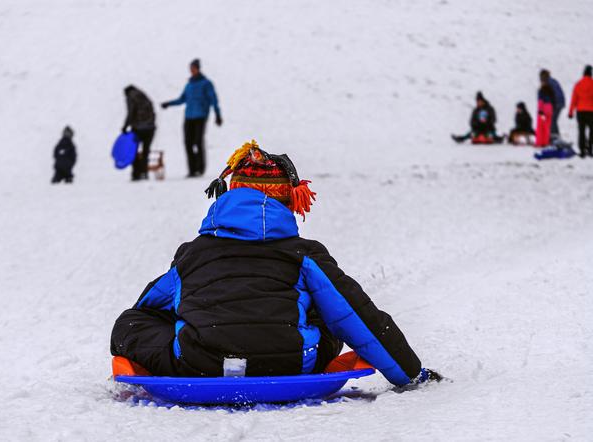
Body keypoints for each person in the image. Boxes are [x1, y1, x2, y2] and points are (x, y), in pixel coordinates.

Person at [110, 140, 442, 387]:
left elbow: (147, 309)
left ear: (228, 194)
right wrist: (411, 374)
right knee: (328, 312)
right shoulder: (304, 254)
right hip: (293, 362)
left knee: (132, 321)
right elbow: (358, 316)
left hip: (202, 363)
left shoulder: (192, 254)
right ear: (288, 202)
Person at [161, 59, 222, 177]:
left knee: (198, 141)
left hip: (201, 116)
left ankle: (200, 168)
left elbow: (213, 99)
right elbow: (182, 99)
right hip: (189, 116)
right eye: (191, 68)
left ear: (198, 69)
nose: (191, 70)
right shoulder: (189, 84)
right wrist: (168, 104)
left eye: (193, 68)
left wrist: (217, 115)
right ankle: (192, 169)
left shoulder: (206, 83)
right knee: (188, 142)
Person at [122, 85, 156, 181]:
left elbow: (130, 113)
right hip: (150, 128)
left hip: (138, 129)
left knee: (133, 151)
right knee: (145, 151)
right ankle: (144, 172)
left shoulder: (130, 97)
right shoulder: (143, 95)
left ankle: (136, 174)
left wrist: (125, 126)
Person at [568, 65, 593, 158]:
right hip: (591, 112)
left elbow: (574, 99)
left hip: (580, 112)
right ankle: (590, 150)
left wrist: (570, 112)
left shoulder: (578, 84)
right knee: (591, 131)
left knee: (581, 131)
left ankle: (582, 151)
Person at [539, 69, 566, 135]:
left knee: (552, 120)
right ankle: (555, 135)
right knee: (553, 120)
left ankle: (554, 136)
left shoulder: (548, 83)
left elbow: (551, 95)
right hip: (560, 102)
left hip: (556, 102)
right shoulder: (553, 81)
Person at [535, 80, 556, 147]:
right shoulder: (551, 91)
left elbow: (540, 101)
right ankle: (545, 142)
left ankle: (539, 142)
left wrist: (540, 110)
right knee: (547, 127)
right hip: (549, 110)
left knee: (540, 127)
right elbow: (554, 101)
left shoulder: (541, 91)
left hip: (543, 111)